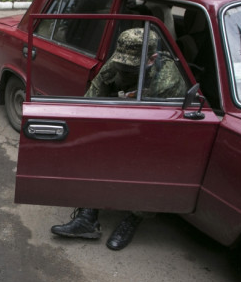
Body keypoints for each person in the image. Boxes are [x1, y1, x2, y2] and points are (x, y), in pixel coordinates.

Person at [51, 27, 186, 250]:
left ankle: (133, 217)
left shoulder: (167, 81)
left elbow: (153, 126)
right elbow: (91, 99)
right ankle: (87, 218)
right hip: (120, 125)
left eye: (129, 65)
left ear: (152, 59)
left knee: (150, 168)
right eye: (121, 61)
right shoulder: (121, 60)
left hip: (155, 136)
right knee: (90, 149)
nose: (122, 66)